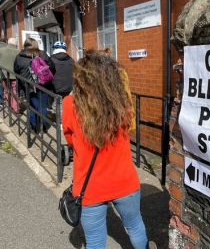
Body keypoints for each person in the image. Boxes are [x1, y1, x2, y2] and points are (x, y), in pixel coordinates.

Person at [62, 49, 155, 249]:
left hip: (89, 186)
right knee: (135, 226)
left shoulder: (70, 104)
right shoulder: (122, 103)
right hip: (124, 181)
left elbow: (70, 139)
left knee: (95, 241)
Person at [14, 38, 55, 132]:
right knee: (42, 106)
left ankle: (33, 127)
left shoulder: (19, 56)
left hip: (28, 86)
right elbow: (52, 67)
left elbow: (16, 70)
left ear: (25, 45)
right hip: (42, 85)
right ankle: (43, 126)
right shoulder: (42, 54)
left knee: (31, 107)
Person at [0, 38, 20, 112]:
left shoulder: (1, 50)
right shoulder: (19, 51)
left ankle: (9, 105)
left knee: (6, 90)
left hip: (4, 74)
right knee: (14, 91)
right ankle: (15, 108)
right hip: (15, 75)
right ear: (16, 44)